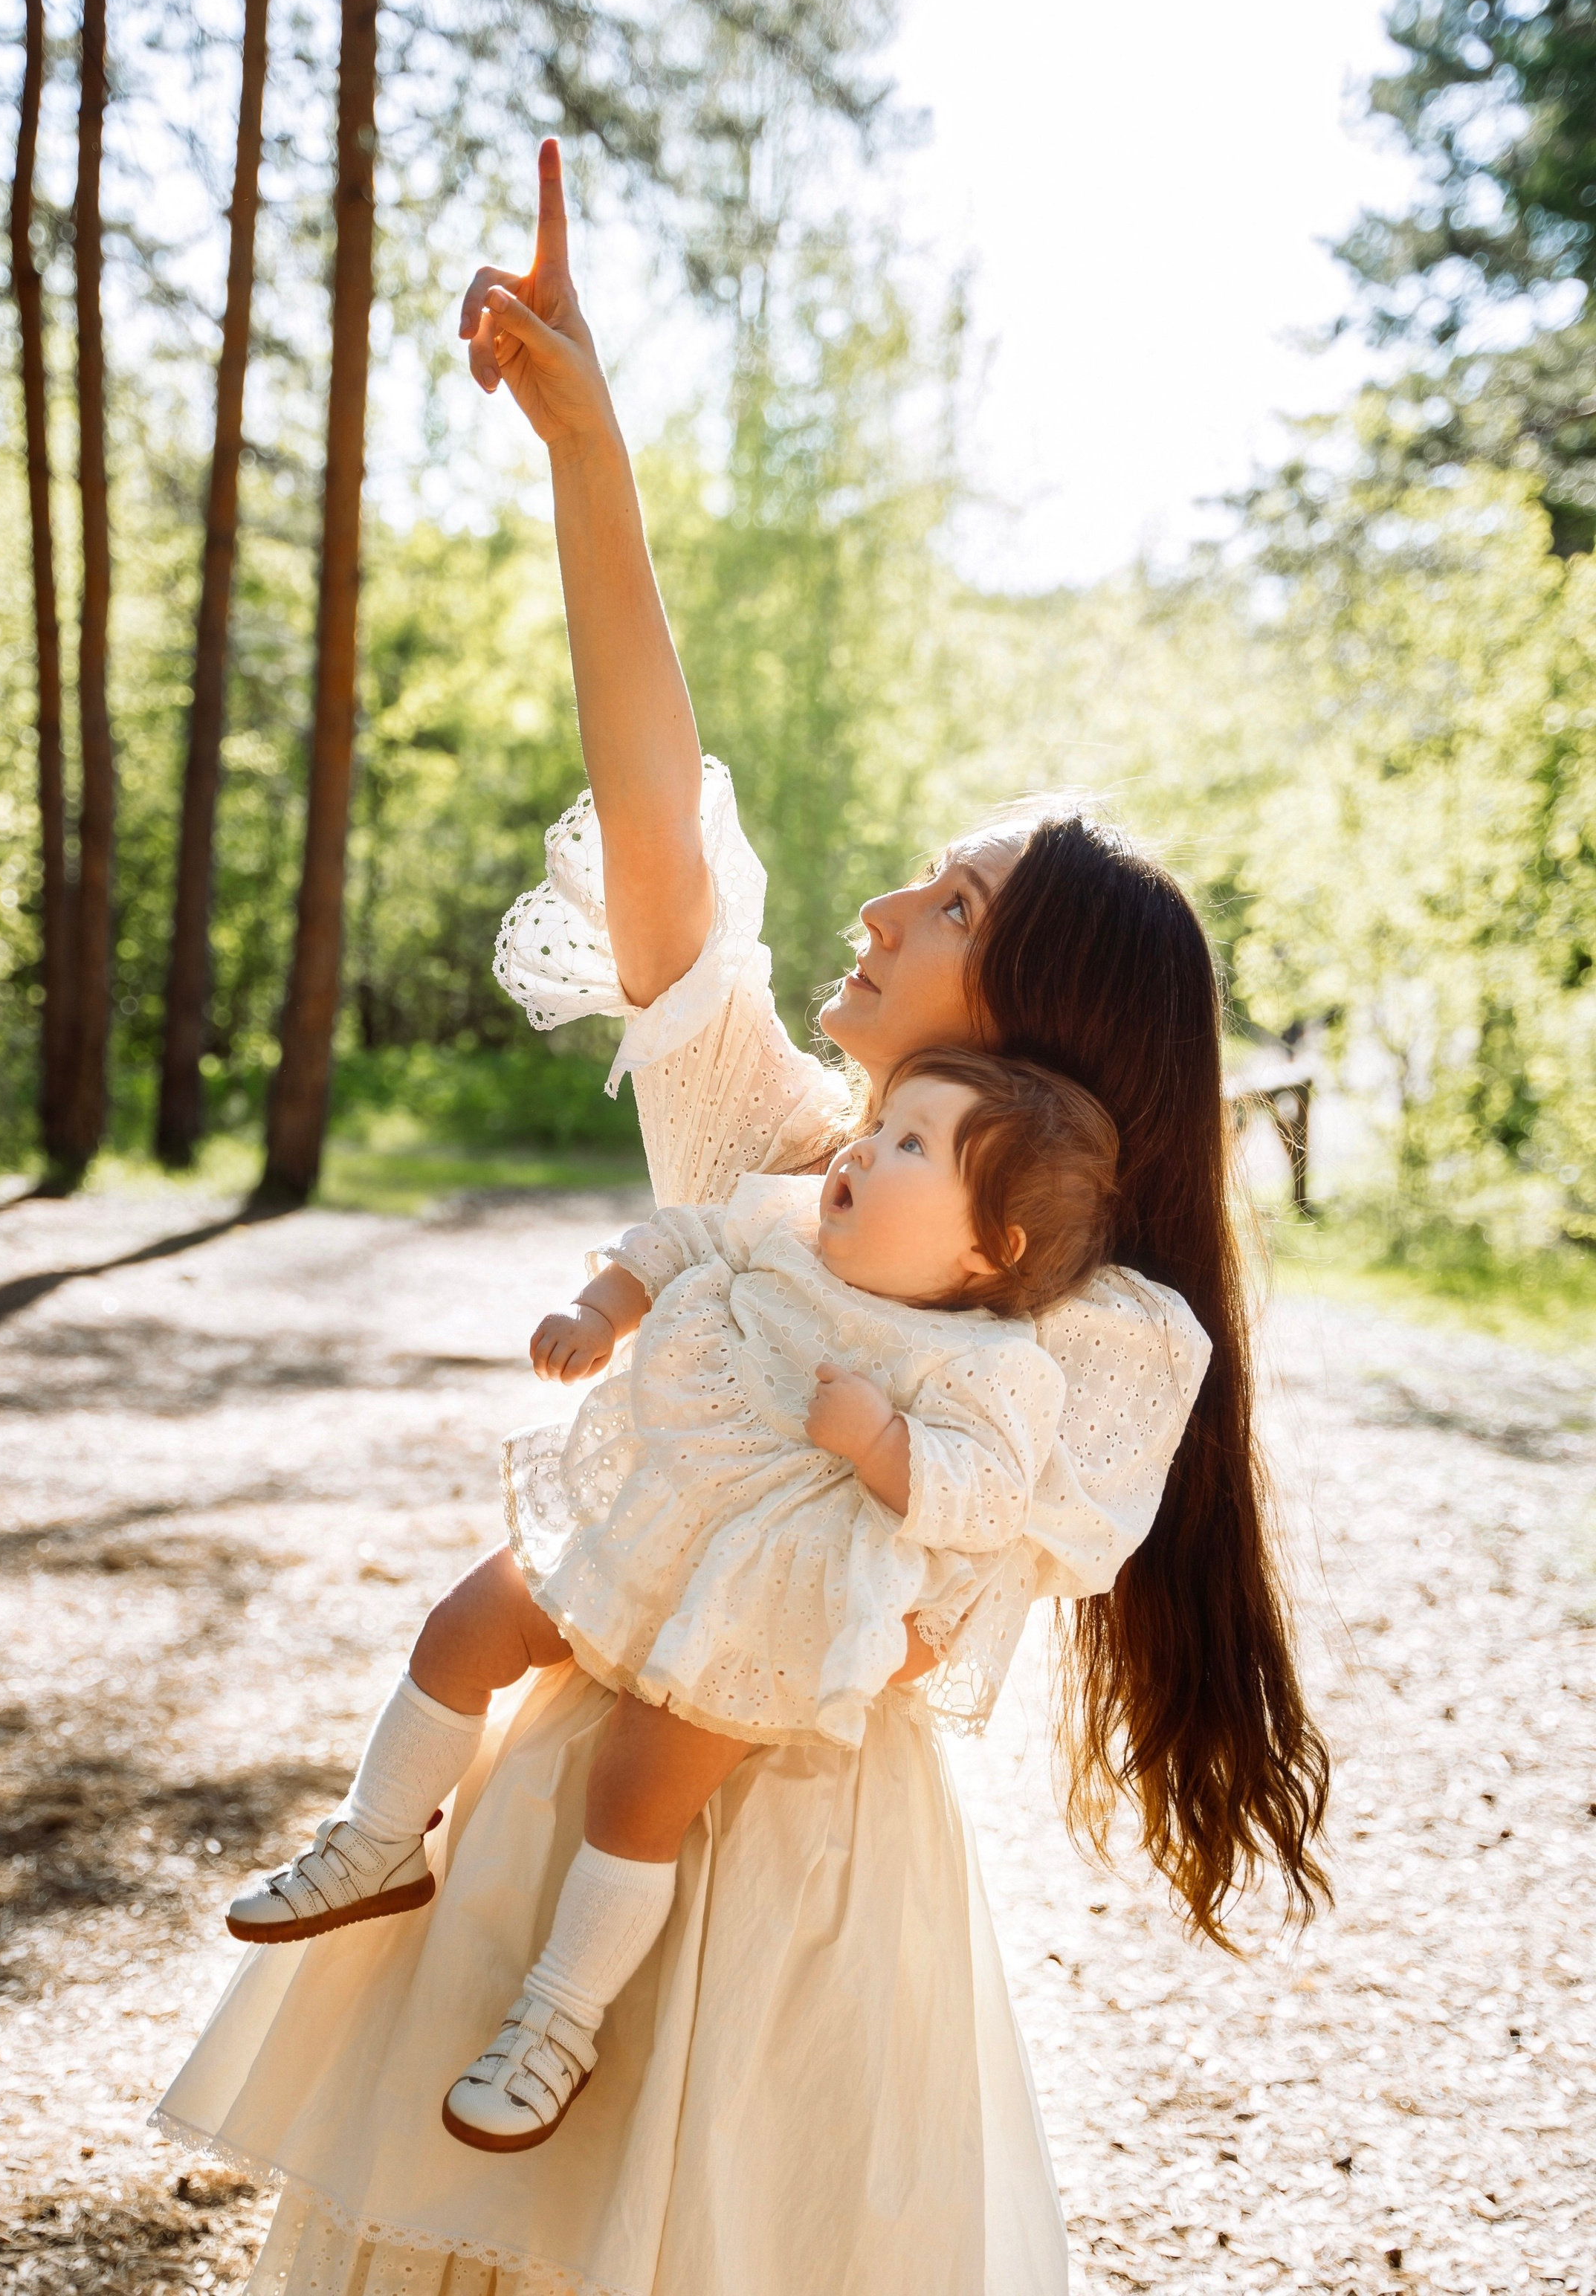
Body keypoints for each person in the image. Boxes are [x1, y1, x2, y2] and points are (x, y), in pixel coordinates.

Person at [152, 140, 1331, 2296]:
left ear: (1040, 1015)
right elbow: (658, 818)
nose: (884, 903)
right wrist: (589, 456)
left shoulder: (1090, 1342)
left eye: (952, 901)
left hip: (798, 1919)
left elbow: (955, 1554)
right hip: (549, 1826)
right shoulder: (767, 1156)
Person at [222, 1050, 1136, 2156]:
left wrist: (885, 1444)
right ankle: (375, 1840)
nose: (861, 1147)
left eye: (910, 1145)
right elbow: (678, 1238)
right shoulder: (787, 1232)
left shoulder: (990, 1363)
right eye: (878, 1120)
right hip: (645, 1518)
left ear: (990, 1248)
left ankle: (556, 2020)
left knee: (635, 1792)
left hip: (759, 1602)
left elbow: (987, 1498)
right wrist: (600, 1309)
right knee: (465, 1624)